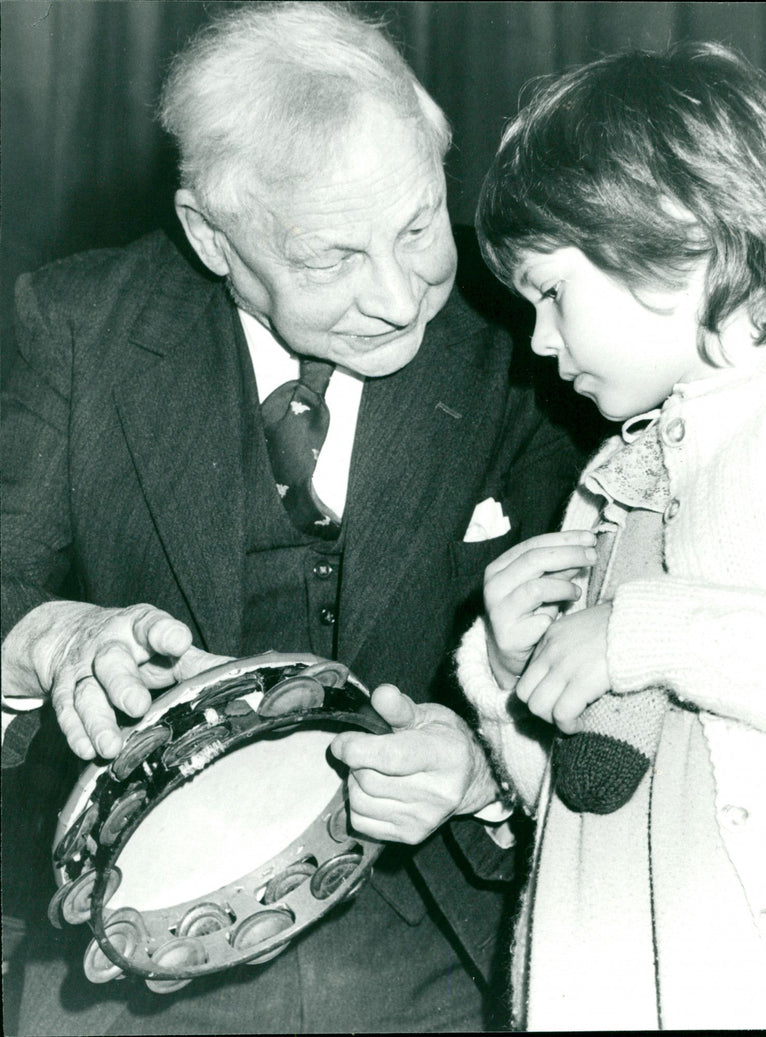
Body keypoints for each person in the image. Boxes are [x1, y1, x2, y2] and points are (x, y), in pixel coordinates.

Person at [0, 3, 590, 1034]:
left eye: (415, 227)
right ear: (208, 234)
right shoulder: (82, 322)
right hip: (132, 955)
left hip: (443, 942)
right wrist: (49, 637)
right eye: (330, 257)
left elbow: (607, 642)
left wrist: (482, 769)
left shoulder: (526, 330)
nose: (402, 296)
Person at [456, 41, 766, 1031]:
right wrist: (515, 684)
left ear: (677, 236)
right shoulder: (615, 483)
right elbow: (582, 814)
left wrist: (638, 633)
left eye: (549, 292)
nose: (536, 343)